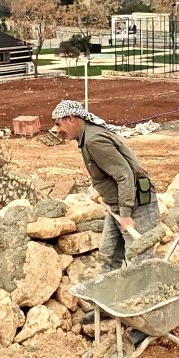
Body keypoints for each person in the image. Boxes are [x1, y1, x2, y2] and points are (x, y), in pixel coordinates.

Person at [51, 100, 160, 274]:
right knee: (109, 255)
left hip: (136, 205)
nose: (57, 131)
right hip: (116, 205)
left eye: (58, 124)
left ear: (71, 118)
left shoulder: (94, 140)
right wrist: (98, 188)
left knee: (139, 261)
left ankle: (144, 299)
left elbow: (124, 175)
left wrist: (125, 214)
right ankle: (111, 297)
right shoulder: (87, 138)